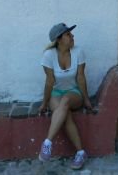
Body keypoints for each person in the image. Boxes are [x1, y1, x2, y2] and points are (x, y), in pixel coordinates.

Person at [38, 23, 92, 170]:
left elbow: (81, 78)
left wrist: (86, 99)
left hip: (74, 93)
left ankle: (47, 143)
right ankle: (81, 152)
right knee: (64, 113)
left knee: (66, 101)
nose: (72, 36)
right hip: (56, 93)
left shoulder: (78, 52)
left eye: (71, 34)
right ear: (59, 39)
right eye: (68, 34)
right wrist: (44, 103)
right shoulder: (48, 56)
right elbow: (49, 82)